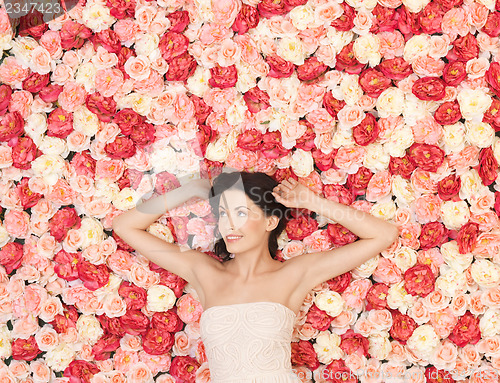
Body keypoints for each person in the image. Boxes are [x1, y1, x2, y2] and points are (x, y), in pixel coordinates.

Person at [112, 170, 399, 382]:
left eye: (241, 212)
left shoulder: (295, 273)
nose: (230, 224)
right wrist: (187, 191)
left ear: (271, 221)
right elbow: (125, 227)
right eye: (223, 214)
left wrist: (313, 201)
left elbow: (383, 234)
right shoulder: (204, 272)